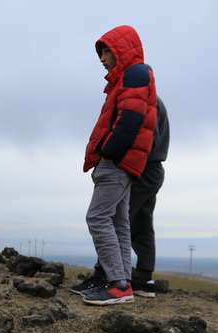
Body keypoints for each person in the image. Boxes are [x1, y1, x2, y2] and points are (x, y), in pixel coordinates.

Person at [78, 25, 159, 306]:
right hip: (125, 163)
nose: (102, 58)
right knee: (119, 222)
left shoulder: (134, 74)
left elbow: (130, 120)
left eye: (106, 51)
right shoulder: (129, 77)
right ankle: (123, 281)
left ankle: (117, 284)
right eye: (100, 52)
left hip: (117, 162)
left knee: (97, 217)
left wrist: (107, 151)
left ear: (121, 50)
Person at [70, 97, 169, 298]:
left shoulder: (145, 101)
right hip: (152, 168)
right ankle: (141, 277)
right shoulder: (154, 101)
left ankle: (107, 276)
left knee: (115, 220)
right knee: (140, 220)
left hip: (142, 167)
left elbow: (144, 137)